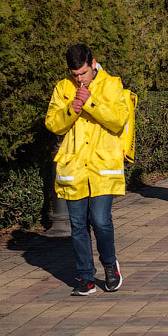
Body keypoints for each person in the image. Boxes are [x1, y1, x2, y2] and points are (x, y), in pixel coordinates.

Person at [45, 44, 130, 296]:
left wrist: (91, 103)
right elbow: (52, 123)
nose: (78, 78)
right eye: (74, 74)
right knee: (78, 225)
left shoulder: (112, 84)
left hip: (102, 166)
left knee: (101, 221)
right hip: (74, 168)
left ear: (93, 63)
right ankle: (85, 276)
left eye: (82, 73)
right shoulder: (63, 88)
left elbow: (118, 120)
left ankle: (109, 266)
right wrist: (72, 109)